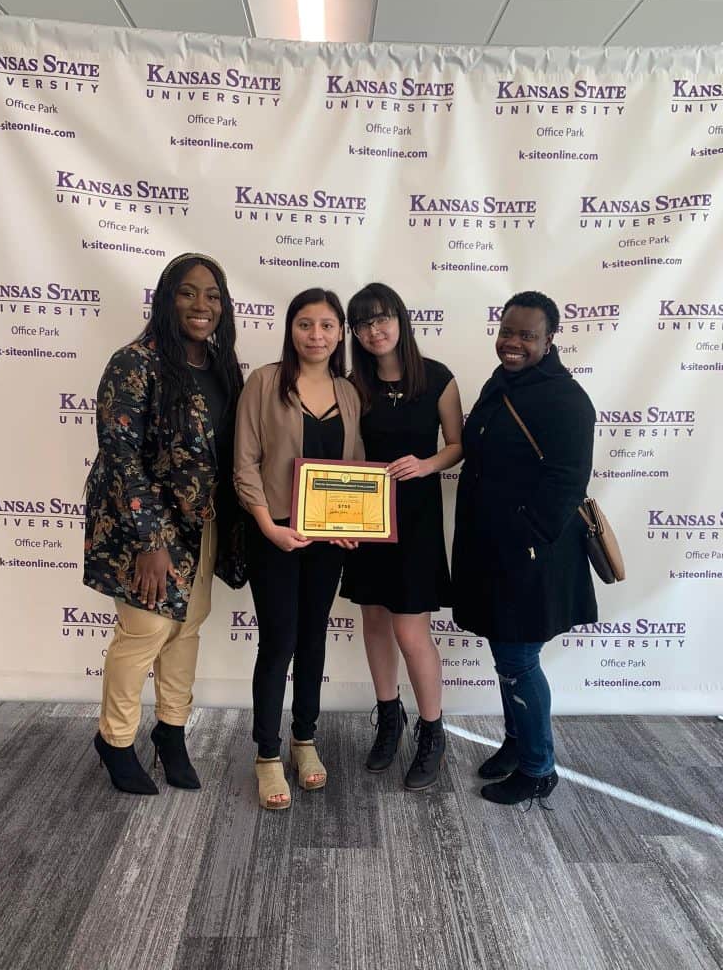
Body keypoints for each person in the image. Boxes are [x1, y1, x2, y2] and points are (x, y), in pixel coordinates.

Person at [84, 253, 244, 795]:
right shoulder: (134, 362)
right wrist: (150, 540)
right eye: (188, 292)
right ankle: (116, 739)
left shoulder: (224, 366)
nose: (202, 305)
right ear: (166, 297)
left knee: (187, 627)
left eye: (213, 295)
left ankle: (171, 732)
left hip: (203, 520)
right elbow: (120, 457)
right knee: (146, 630)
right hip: (145, 524)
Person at [451, 290, 597, 806]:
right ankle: (516, 744)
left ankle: (539, 768)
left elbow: (567, 482)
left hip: (530, 556)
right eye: (507, 332)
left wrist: (525, 541)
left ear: (550, 339)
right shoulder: (502, 382)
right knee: (505, 653)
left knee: (518, 658)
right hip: (491, 548)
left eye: (526, 336)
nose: (512, 343)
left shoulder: (565, 399)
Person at [234, 288, 363, 811]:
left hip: (328, 541)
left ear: (340, 333)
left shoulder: (350, 392)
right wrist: (268, 526)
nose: (317, 335)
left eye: (328, 325)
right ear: (291, 329)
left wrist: (351, 523)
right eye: (306, 324)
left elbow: (354, 469)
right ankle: (267, 754)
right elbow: (245, 463)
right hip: (275, 535)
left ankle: (303, 740)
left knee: (313, 639)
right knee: (279, 641)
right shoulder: (264, 382)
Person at [341, 283, 463, 791]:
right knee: (373, 620)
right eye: (364, 323)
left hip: (415, 517)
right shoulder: (350, 384)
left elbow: (457, 445)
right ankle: (389, 717)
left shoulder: (437, 377)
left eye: (382, 318)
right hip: (366, 514)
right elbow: (342, 455)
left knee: (411, 631)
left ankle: (432, 730)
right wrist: (336, 518)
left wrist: (426, 463)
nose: (375, 330)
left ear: (401, 318)